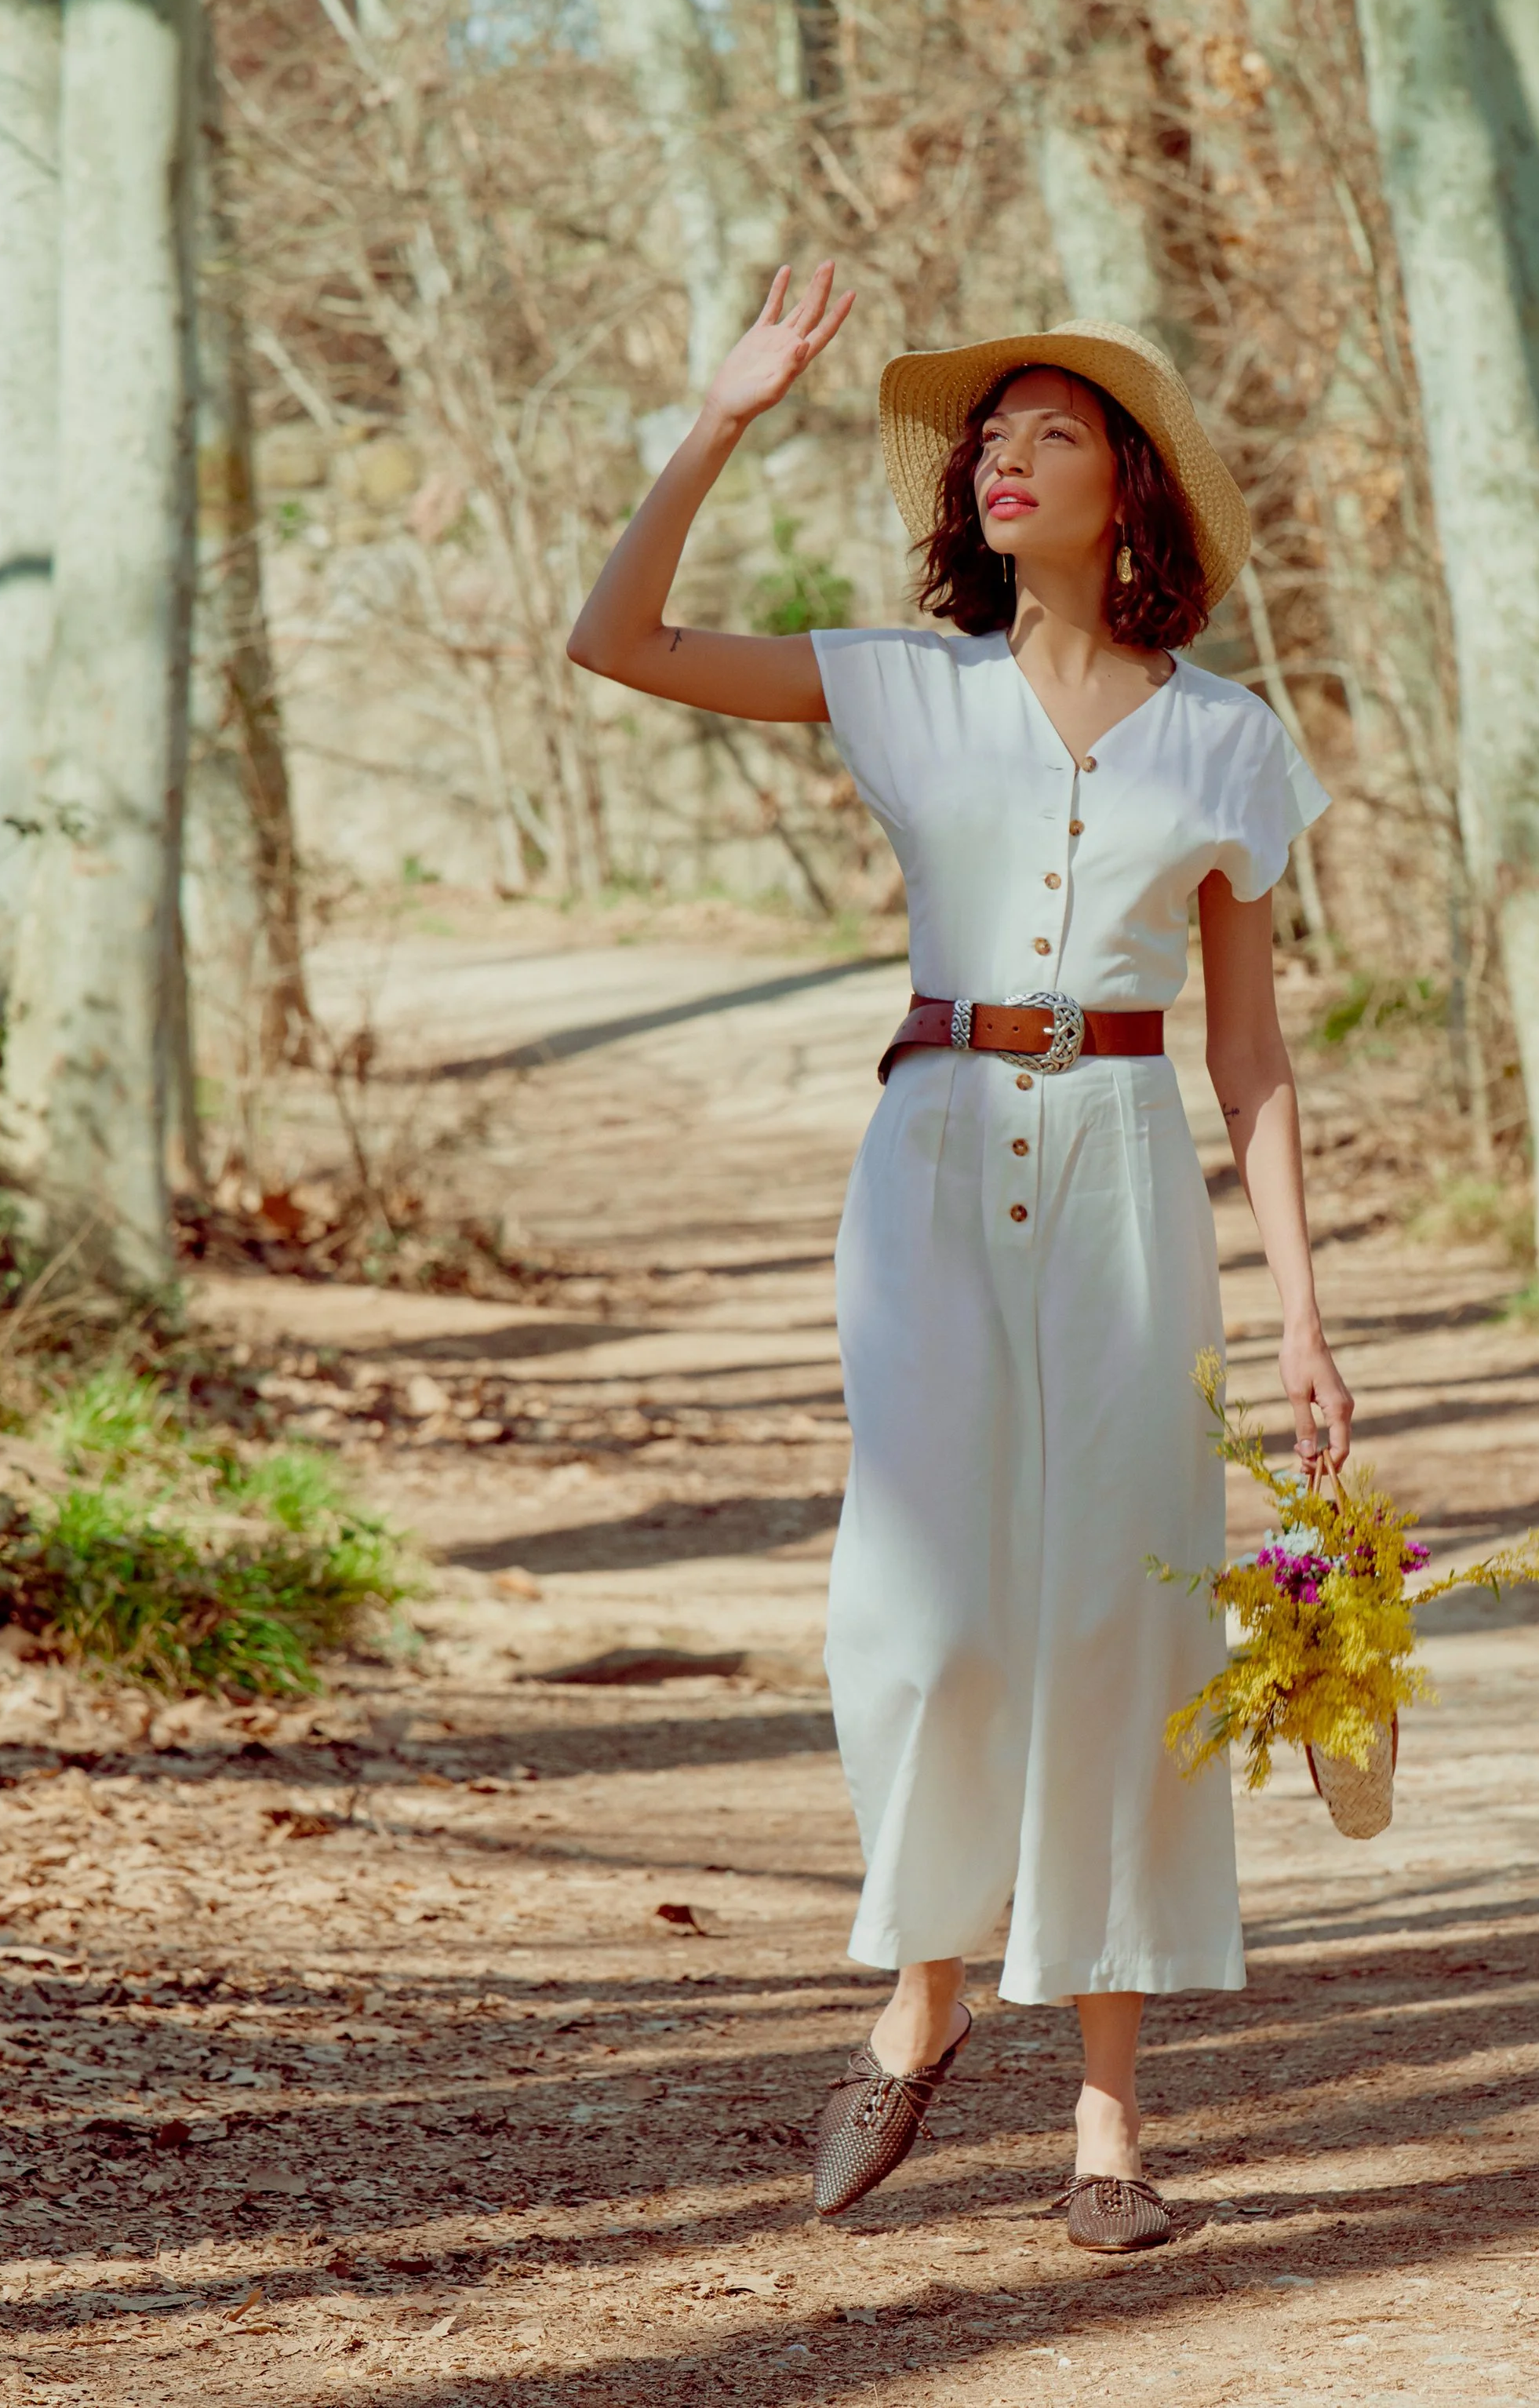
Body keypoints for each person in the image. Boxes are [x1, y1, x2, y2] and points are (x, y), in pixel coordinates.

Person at [569, 262, 1354, 2254]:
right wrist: (727, 410)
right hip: (927, 1163)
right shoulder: (898, 685)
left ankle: (1107, 2128)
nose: (1005, 457)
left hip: (1120, 1174)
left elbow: (1248, 1052)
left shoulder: (1228, 744)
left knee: (1115, 1618)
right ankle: (918, 1995)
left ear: (1131, 489)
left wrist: (1302, 1323)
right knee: (923, 1627)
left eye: (1051, 431)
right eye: (988, 437)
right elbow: (617, 639)